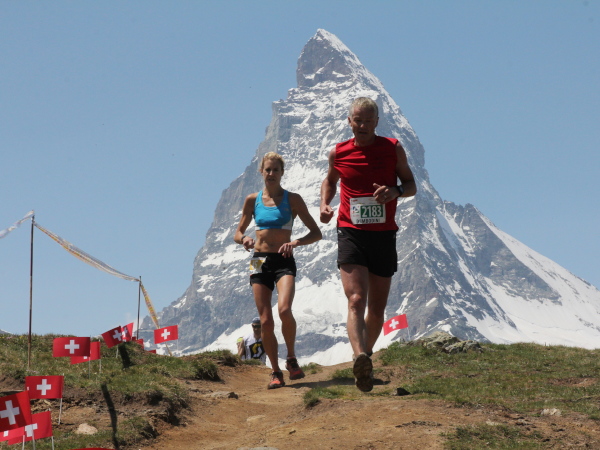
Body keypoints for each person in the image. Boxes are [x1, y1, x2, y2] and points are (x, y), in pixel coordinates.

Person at [320, 97, 416, 392]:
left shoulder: (392, 148)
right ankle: (359, 355)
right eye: (357, 120)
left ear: (376, 123)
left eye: (367, 121)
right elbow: (330, 181)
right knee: (355, 300)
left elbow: (411, 185)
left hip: (383, 234)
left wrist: (394, 191)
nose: (362, 125)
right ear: (349, 121)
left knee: (376, 309)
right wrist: (325, 203)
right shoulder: (338, 152)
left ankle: (366, 359)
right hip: (351, 232)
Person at [234, 151, 322, 389]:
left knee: (284, 309)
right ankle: (275, 372)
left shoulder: (293, 199)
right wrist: (244, 239)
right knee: (265, 320)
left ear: (282, 173)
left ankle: (291, 358)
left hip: (284, 259)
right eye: (267, 169)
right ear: (261, 172)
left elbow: (316, 233)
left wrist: (295, 242)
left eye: (275, 170)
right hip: (258, 260)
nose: (271, 173)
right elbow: (237, 233)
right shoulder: (252, 200)